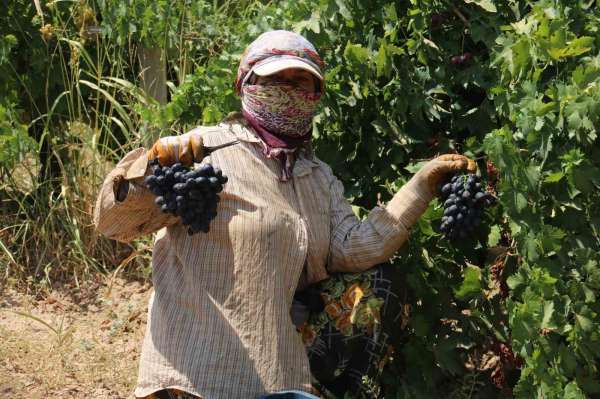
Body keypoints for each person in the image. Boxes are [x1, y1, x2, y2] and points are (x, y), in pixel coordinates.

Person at [94, 30, 475, 399]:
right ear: (247, 83)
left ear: (316, 96)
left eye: (302, 82)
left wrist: (422, 185)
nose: (291, 92)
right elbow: (114, 223)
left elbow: (353, 248)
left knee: (378, 285)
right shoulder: (203, 151)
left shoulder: (316, 176)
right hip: (194, 374)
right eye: (277, 79)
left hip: (274, 373)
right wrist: (145, 169)